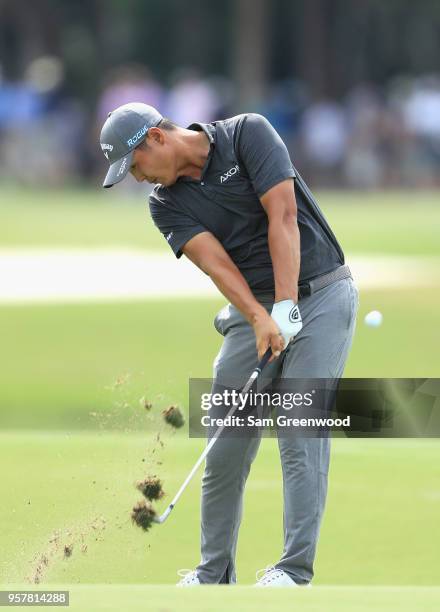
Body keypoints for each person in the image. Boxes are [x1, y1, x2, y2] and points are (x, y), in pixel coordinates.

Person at [99, 102, 359, 587]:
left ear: (157, 138)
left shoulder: (247, 135)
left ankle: (293, 571)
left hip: (321, 292)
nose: (136, 178)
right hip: (252, 309)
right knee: (224, 440)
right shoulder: (164, 202)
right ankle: (213, 573)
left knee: (299, 431)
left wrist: (285, 307)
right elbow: (217, 265)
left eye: (134, 165)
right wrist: (263, 318)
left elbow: (282, 216)